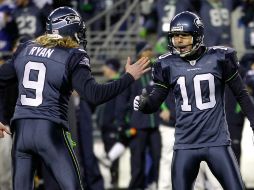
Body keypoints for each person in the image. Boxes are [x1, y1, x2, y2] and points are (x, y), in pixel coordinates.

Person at [0, 6, 150, 190]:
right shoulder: (73, 55)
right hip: (50, 131)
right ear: (69, 30)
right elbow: (94, 95)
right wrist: (128, 77)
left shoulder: (24, 48)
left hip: (21, 131)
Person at [133, 11, 254, 190]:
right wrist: (145, 105)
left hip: (217, 142)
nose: (179, 41)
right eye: (175, 36)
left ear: (197, 36)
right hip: (185, 144)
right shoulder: (167, 65)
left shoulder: (219, 58)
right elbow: (155, 102)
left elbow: (241, 94)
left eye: (184, 36)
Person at [116, 41, 161, 189]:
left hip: (155, 124)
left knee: (158, 158)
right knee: (137, 161)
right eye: (146, 49)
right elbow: (122, 100)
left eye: (150, 49)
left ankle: (155, 184)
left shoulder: (156, 70)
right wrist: (123, 123)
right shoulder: (132, 72)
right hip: (138, 124)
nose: (150, 51)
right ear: (140, 53)